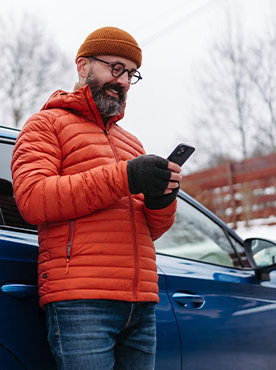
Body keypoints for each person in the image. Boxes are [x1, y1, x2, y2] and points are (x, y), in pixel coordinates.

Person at [10, 26, 182, 370]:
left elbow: (152, 229)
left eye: (131, 74)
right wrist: (126, 177)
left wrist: (162, 200)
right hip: (82, 301)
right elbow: (33, 198)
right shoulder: (45, 125)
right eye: (114, 67)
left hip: (141, 302)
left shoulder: (132, 143)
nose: (122, 81)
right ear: (82, 66)